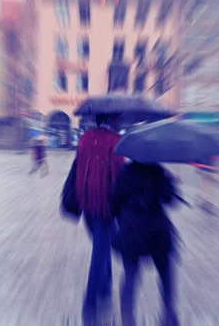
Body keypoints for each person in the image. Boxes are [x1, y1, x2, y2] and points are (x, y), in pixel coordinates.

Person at [110, 162, 181, 326]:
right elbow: (170, 200)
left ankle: (127, 318)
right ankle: (168, 315)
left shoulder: (125, 172)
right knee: (166, 274)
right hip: (157, 229)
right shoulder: (159, 171)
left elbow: (113, 203)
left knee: (131, 275)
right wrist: (170, 181)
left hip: (131, 229)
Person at [75, 114, 126, 312]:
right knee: (100, 249)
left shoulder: (85, 138)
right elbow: (118, 174)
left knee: (102, 243)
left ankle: (105, 287)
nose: (121, 122)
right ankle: (90, 297)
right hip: (106, 204)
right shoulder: (115, 141)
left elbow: (80, 167)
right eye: (119, 119)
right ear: (111, 120)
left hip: (86, 200)